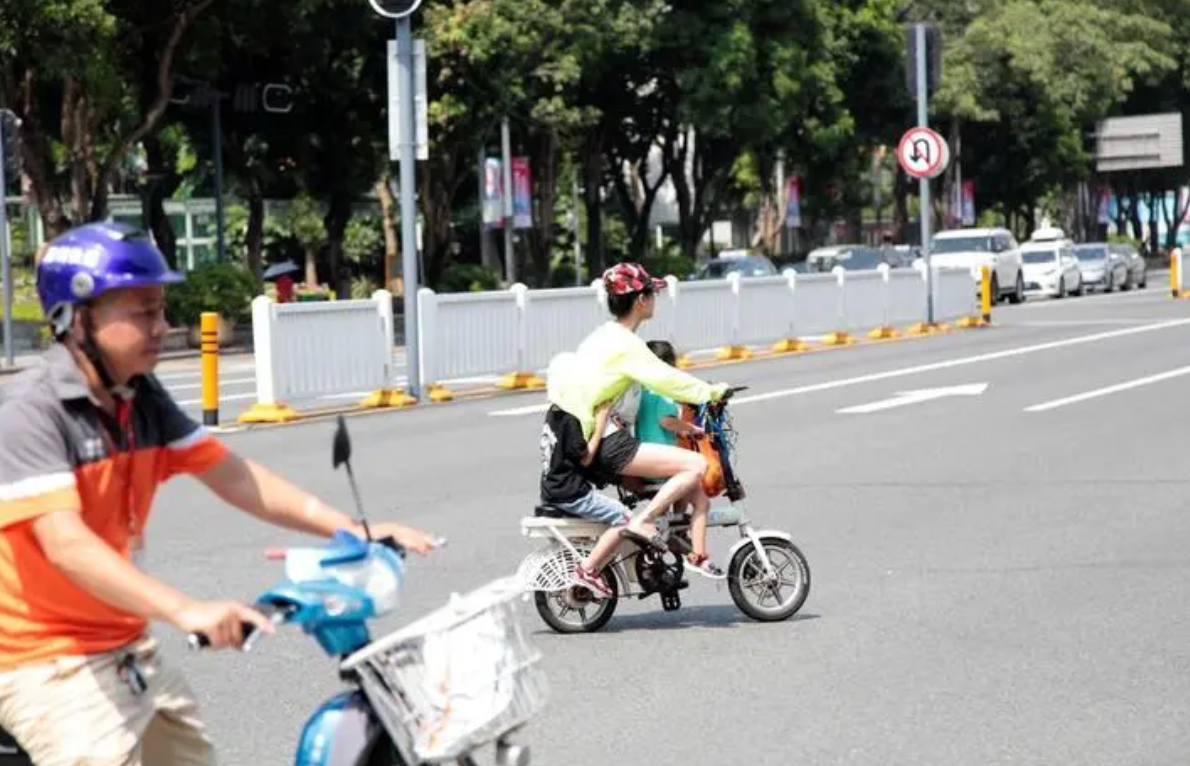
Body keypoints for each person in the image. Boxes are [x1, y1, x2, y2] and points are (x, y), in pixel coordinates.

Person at [0, 221, 439, 766]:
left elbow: (233, 476)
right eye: (142, 311)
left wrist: (352, 530)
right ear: (77, 316)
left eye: (161, 309)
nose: (161, 326)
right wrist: (187, 610)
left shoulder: (140, 398)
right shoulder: (33, 414)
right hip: (47, 663)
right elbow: (66, 545)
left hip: (126, 649)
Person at [546, 262, 728, 552]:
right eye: (652, 293)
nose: (655, 299)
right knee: (696, 465)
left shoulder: (603, 335)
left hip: (592, 433)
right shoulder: (625, 344)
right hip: (607, 440)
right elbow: (665, 379)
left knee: (680, 471)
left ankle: (669, 538)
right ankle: (644, 521)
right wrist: (711, 392)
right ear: (641, 300)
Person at [637, 340, 724, 578]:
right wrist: (690, 429)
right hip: (663, 460)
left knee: (685, 484)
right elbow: (666, 421)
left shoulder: (641, 389)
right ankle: (698, 555)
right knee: (702, 501)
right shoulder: (661, 392)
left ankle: (676, 529)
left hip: (645, 460)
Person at [539, 400, 630, 599]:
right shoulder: (571, 417)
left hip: (552, 489)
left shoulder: (554, 412)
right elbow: (586, 458)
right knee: (626, 519)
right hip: (571, 493)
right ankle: (587, 571)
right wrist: (601, 422)